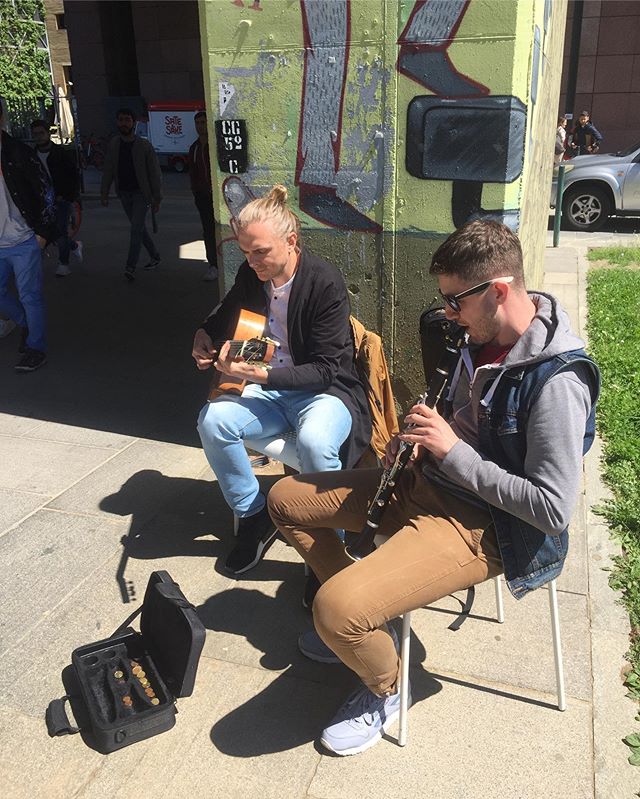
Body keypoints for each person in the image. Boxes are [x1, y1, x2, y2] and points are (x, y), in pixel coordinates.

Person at [267, 219, 600, 757]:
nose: (447, 314)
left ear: (498, 290)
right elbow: (463, 422)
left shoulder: (557, 382)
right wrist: (419, 439)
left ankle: (385, 687)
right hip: (424, 481)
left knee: (333, 610)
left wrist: (452, 452)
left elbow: (552, 509)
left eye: (455, 301)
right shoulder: (480, 336)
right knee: (286, 501)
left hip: (480, 524)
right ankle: (365, 619)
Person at [193, 184, 371, 575]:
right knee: (213, 421)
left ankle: (327, 548)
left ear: (291, 241)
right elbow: (227, 310)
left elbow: (326, 368)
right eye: (245, 252)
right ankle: (254, 513)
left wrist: (260, 374)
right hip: (270, 389)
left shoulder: (323, 282)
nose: (253, 261)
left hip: (325, 392)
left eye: (261, 252)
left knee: (314, 441)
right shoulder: (251, 275)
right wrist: (204, 333)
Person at [0, 98, 56, 372]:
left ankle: (36, 348)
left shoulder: (18, 152)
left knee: (30, 295)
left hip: (23, 241)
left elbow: (45, 190)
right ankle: (25, 324)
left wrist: (44, 234)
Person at [100, 108, 162, 282]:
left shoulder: (144, 146)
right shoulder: (114, 144)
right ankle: (155, 256)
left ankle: (130, 266)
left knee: (135, 229)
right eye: (121, 120)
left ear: (133, 123)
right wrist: (104, 192)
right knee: (139, 228)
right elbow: (109, 169)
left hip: (141, 194)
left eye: (127, 120)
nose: (124, 123)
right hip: (124, 193)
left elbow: (154, 173)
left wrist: (157, 197)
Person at [30, 119, 82, 277]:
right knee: (50, 231)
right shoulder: (32, 155)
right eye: (35, 134)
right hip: (42, 199)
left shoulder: (60, 153)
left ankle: (64, 263)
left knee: (60, 230)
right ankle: (73, 246)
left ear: (48, 133)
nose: (38, 137)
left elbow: (72, 175)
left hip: (60, 197)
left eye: (41, 133)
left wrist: (68, 195)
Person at [188, 111, 218, 282]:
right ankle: (213, 264)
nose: (200, 126)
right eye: (198, 123)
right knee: (208, 231)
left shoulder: (213, 146)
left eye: (203, 122)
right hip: (203, 197)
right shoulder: (194, 148)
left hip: (217, 197)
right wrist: (196, 191)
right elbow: (193, 173)